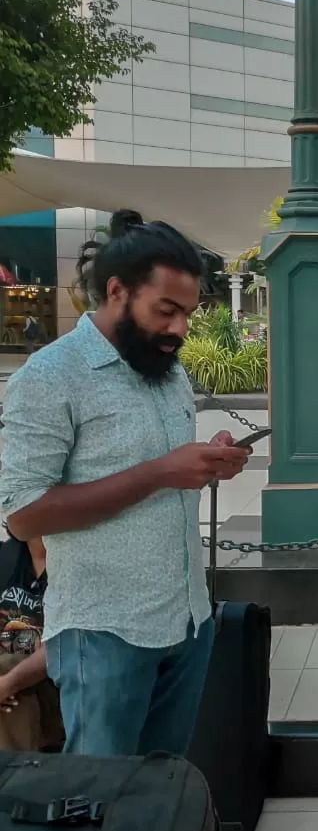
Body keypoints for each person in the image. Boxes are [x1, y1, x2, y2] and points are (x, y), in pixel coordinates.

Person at [0, 210, 252, 757]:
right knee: (100, 800)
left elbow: (164, 470)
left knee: (161, 791)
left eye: (188, 313)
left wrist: (208, 461)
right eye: (167, 311)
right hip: (102, 633)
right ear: (117, 291)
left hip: (186, 619)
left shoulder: (167, 368)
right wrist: (163, 471)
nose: (180, 329)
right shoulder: (48, 378)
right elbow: (24, 514)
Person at [0, 537, 62, 751]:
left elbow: (66, 643)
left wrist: (7, 684)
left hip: (59, 680)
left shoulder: (72, 562)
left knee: (9, 667)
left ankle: (15, 773)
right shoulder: (7, 558)